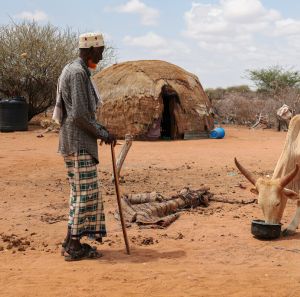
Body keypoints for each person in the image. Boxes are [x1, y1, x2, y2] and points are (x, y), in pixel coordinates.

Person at [52, 32, 116, 261]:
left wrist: (103, 130)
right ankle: (74, 247)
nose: (101, 56)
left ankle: (70, 241)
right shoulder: (78, 73)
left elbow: (82, 113)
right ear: (90, 50)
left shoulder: (75, 69)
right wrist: (101, 133)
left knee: (81, 193)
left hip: (75, 141)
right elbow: (79, 115)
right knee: (84, 195)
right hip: (77, 142)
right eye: (100, 51)